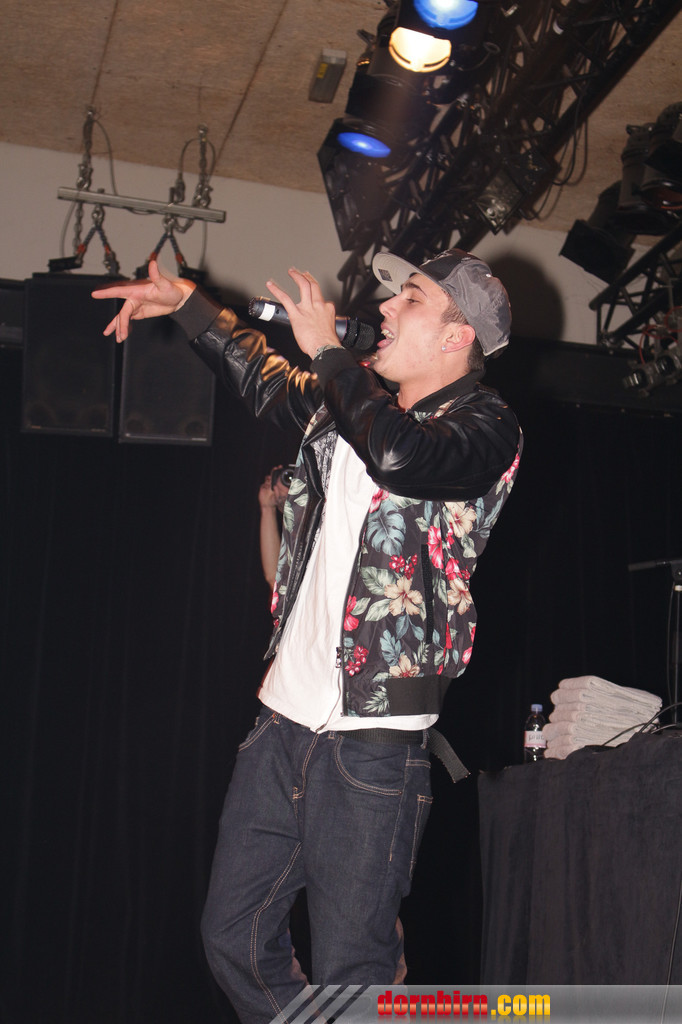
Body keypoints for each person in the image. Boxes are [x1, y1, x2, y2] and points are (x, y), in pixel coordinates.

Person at [92, 247, 522, 1024]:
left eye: (410, 300)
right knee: (233, 935)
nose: (385, 308)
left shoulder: (484, 426)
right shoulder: (348, 406)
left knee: (354, 967)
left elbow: (401, 457)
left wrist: (331, 354)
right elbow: (264, 379)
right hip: (283, 723)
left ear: (457, 337)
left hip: (375, 740)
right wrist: (188, 303)